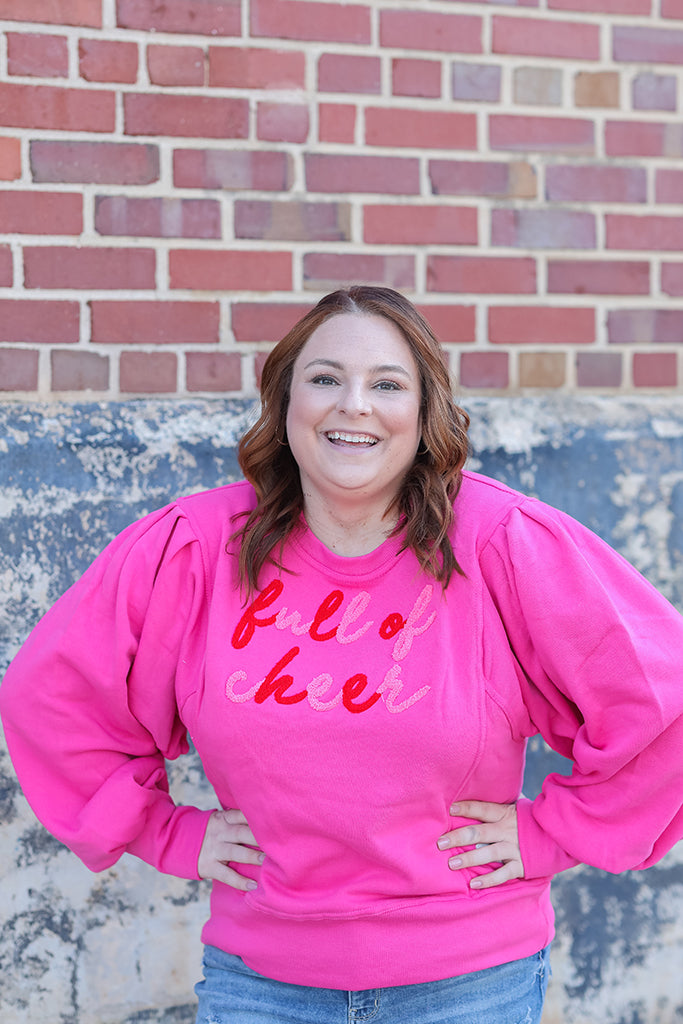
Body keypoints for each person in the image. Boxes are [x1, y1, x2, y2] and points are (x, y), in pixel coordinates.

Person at [2, 286, 683, 1024]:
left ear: (423, 416)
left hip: (465, 983)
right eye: (324, 378)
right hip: (260, 980)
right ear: (285, 401)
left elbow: (660, 697)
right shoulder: (196, 548)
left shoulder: (501, 541)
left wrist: (552, 830)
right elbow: (54, 697)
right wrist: (164, 832)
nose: (353, 405)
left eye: (387, 385)